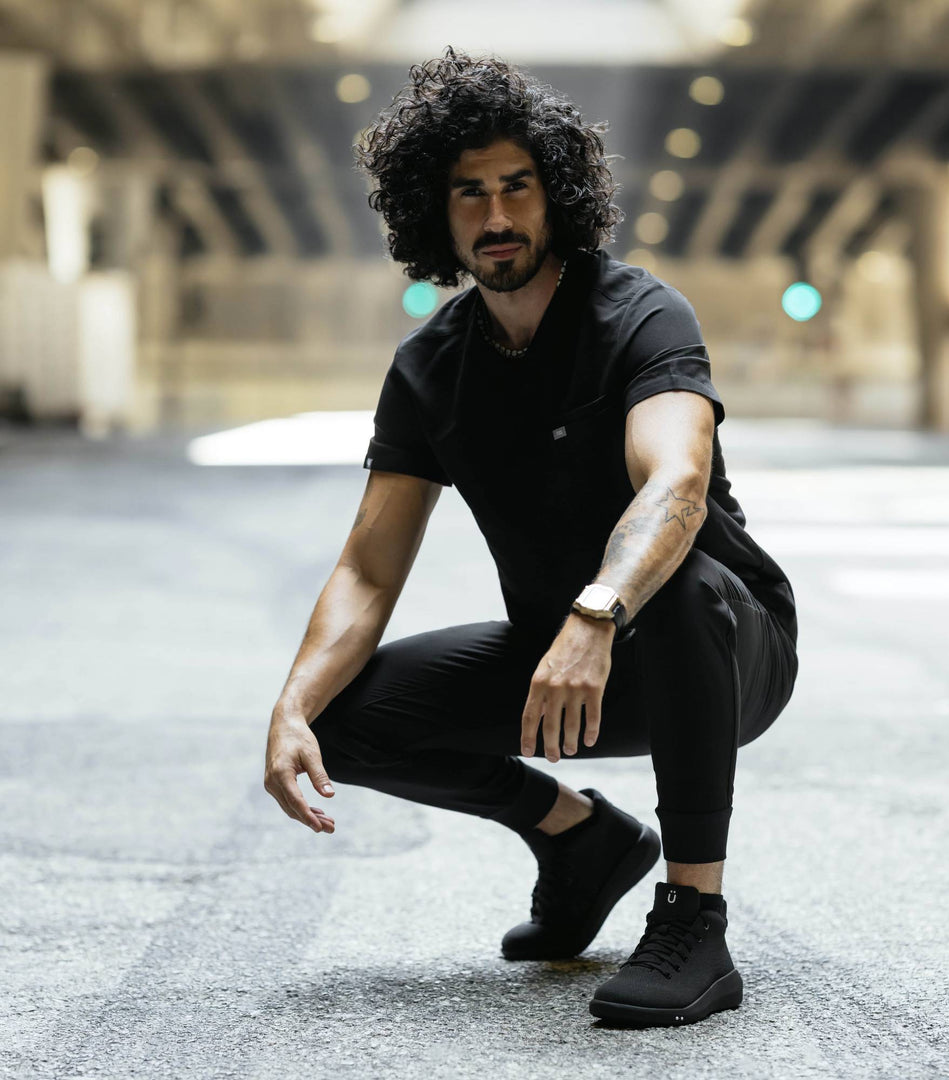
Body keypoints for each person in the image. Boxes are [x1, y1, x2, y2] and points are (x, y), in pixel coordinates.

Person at [263, 47, 798, 1028]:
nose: (496, 215)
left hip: (723, 649)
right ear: (435, 212)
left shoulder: (638, 314)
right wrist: (293, 704)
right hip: (565, 658)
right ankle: (578, 838)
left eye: (516, 186)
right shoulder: (430, 366)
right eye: (469, 193)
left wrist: (598, 611)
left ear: (556, 195)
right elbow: (370, 565)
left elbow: (677, 484)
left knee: (680, 586)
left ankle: (695, 921)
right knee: (342, 719)